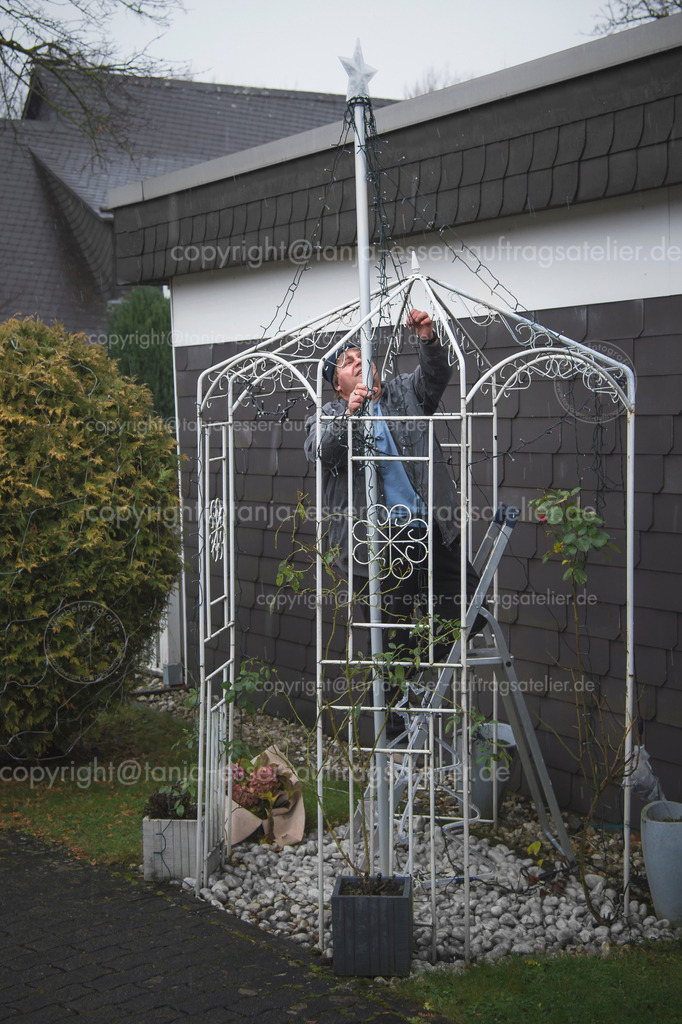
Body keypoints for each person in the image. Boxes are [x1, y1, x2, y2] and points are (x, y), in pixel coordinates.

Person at [304, 309, 484, 675]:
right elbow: (321, 450)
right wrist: (350, 418)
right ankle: (397, 715)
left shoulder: (405, 392)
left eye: (361, 356)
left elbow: (436, 375)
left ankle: (417, 664)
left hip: (431, 529)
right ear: (337, 384)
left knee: (471, 606)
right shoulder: (328, 416)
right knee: (388, 637)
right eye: (347, 362)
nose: (358, 363)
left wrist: (428, 339)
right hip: (375, 544)